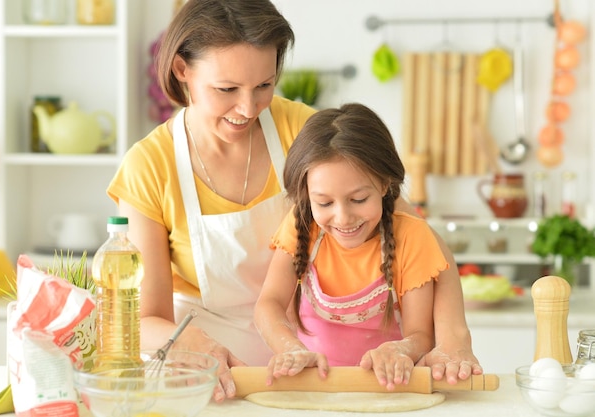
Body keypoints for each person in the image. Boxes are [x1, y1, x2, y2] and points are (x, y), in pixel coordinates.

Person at [106, 0, 481, 402]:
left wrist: (455, 339)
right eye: (226, 89)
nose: (247, 108)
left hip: (308, 371)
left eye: (264, 86)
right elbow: (143, 318)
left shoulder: (299, 130)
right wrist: (188, 342)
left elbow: (420, 238)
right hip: (210, 376)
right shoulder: (149, 166)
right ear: (183, 70)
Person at [254, 103, 446, 390]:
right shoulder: (302, 226)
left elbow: (421, 334)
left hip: (386, 390)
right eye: (325, 203)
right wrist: (289, 348)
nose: (343, 218)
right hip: (310, 389)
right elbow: (268, 304)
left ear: (383, 185)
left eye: (358, 200)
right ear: (307, 195)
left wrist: (400, 350)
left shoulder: (411, 236)